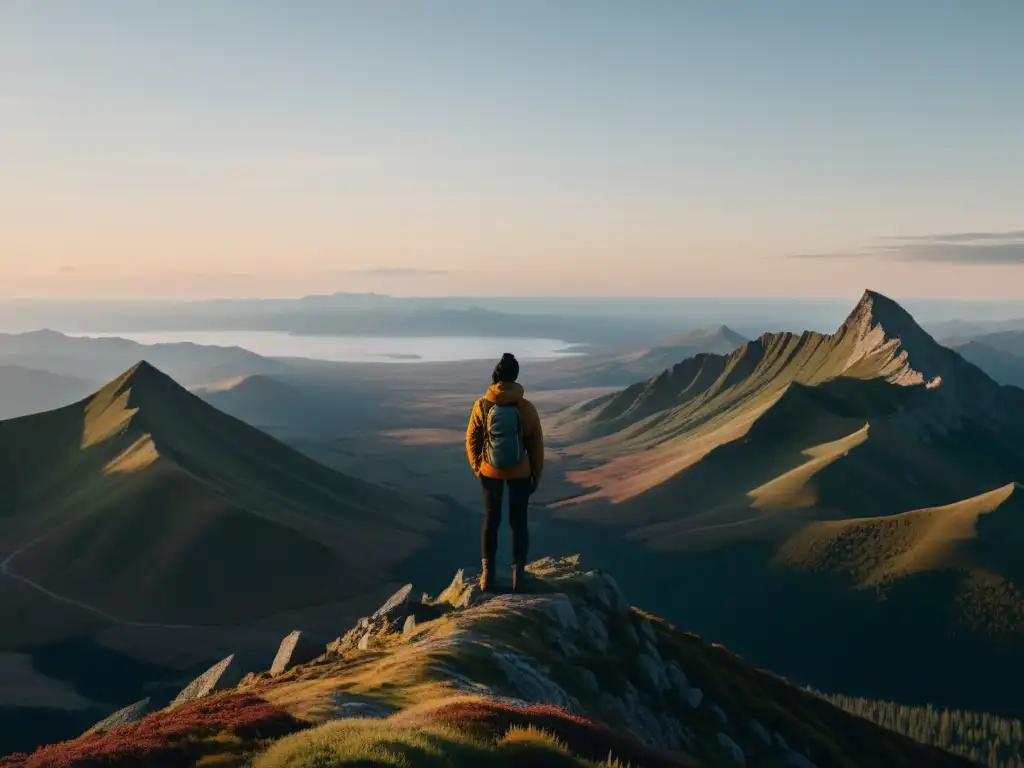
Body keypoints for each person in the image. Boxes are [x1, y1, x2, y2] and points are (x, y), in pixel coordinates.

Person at [465, 353, 544, 593]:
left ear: (496, 375)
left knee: (491, 520)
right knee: (518, 522)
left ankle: (487, 576)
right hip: (521, 472)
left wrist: (478, 467)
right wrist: (536, 474)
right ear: (516, 376)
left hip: (491, 471)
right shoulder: (526, 407)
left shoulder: (482, 405)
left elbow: (472, 439)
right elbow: (536, 443)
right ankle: (519, 577)